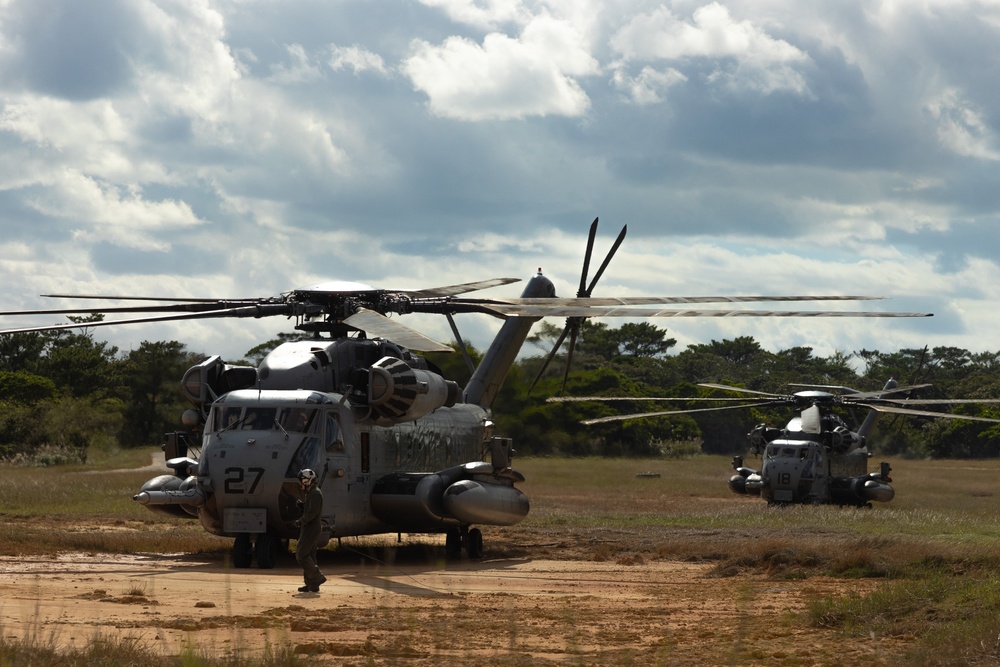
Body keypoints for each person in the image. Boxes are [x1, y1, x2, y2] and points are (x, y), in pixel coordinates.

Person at [294, 468, 327, 593]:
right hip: (309, 527)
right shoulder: (311, 493)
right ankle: (312, 585)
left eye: (301, 481)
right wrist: (303, 506)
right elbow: (310, 509)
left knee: (301, 555)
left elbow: (313, 513)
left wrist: (300, 521)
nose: (300, 483)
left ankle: (317, 577)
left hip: (311, 528)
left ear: (307, 481)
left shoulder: (315, 493)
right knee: (310, 556)